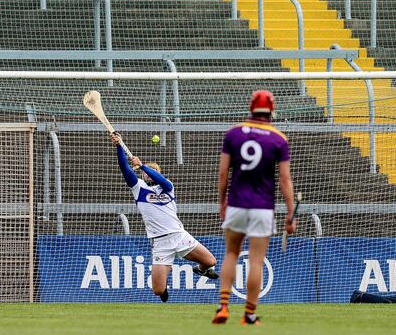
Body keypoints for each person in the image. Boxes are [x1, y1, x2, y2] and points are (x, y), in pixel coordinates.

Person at [213, 90, 295, 326]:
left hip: (237, 204)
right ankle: (249, 314)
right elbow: (285, 180)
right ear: (272, 109)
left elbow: (222, 174)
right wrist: (291, 212)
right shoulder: (279, 138)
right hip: (262, 207)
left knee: (231, 253)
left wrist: (222, 202)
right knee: (256, 261)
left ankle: (223, 306)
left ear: (251, 107)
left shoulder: (233, 133)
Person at [111, 132, 217, 302]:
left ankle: (201, 269)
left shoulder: (168, 187)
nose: (148, 174)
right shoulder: (139, 189)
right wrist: (119, 146)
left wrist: (143, 165)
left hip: (179, 235)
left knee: (211, 261)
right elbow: (125, 169)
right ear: (143, 176)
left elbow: (162, 181)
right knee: (158, 291)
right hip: (160, 242)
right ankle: (164, 287)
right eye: (146, 173)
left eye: (154, 171)